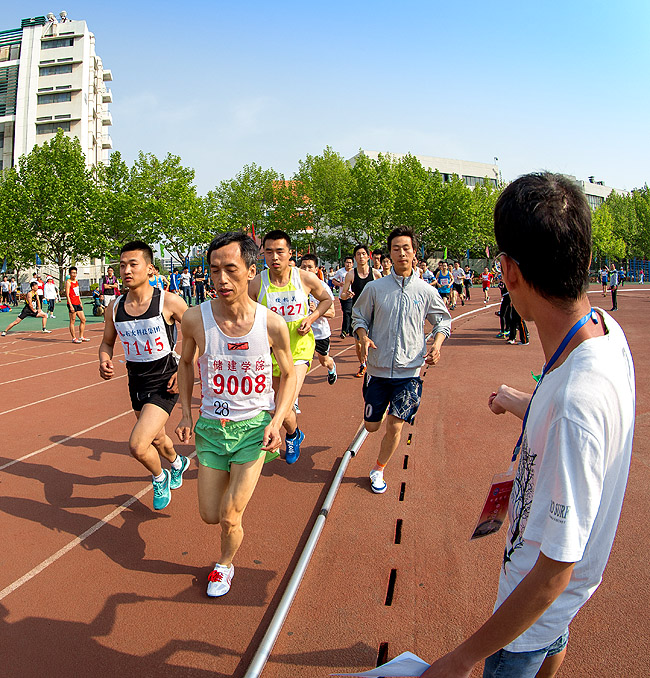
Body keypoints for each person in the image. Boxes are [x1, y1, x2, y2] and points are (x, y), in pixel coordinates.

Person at [422, 172, 635, 678]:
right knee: (555, 640)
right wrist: (526, 402)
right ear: (583, 259)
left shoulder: (574, 405)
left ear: (508, 272)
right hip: (556, 609)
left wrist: (460, 660)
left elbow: (553, 574)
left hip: (528, 618)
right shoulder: (604, 331)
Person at [176, 231, 296, 597]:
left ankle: (224, 565)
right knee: (210, 514)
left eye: (230, 269)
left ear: (249, 271)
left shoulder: (271, 323)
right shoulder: (195, 319)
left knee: (229, 516)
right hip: (212, 430)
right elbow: (185, 363)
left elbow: (289, 374)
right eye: (214, 271)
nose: (221, 280)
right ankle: (231, 505)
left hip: (254, 431)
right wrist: (184, 413)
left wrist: (277, 420)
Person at [352, 227, 451, 494]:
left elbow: (443, 322)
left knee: (395, 425)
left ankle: (379, 469)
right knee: (372, 427)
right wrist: (362, 336)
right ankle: (380, 410)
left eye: (406, 248)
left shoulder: (426, 291)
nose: (401, 252)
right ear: (390, 253)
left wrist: (437, 345)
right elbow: (358, 317)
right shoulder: (375, 288)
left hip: (410, 371)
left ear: (414, 253)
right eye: (396, 248)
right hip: (378, 368)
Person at [98, 241, 189, 511]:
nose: (126, 270)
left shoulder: (168, 301)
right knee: (158, 438)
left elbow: (199, 336)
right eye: (122, 265)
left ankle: (159, 477)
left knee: (138, 445)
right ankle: (177, 463)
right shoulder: (114, 308)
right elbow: (106, 343)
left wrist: (185, 368)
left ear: (149, 268)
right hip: (136, 380)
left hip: (165, 380)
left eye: (132, 264)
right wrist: (104, 360)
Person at [249, 229, 333, 463]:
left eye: (280, 252)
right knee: (281, 406)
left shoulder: (303, 278)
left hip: (299, 350)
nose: (274, 257)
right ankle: (294, 434)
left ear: (289, 253)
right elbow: (246, 312)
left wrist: (312, 317)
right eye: (269, 252)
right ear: (262, 254)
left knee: (286, 403)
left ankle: (276, 434)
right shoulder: (257, 283)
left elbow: (326, 299)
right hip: (271, 353)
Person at [340, 245, 382, 378]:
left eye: (364, 254)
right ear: (355, 257)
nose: (361, 256)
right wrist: (347, 294)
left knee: (376, 340)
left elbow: (383, 291)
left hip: (375, 312)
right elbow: (342, 295)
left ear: (368, 256)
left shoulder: (375, 274)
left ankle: (376, 364)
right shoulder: (351, 274)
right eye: (358, 254)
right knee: (358, 344)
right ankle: (363, 364)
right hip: (358, 313)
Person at [300, 254, 338, 384]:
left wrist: (316, 310)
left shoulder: (323, 287)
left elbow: (332, 313)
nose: (306, 270)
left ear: (316, 269)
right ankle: (294, 401)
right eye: (303, 267)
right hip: (301, 333)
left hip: (320, 333)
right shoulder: (295, 286)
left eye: (310, 267)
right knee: (299, 366)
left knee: (324, 361)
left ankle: (331, 367)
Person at [65, 266, 89, 343]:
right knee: (73, 320)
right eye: (72, 273)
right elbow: (67, 294)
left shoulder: (76, 281)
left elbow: (77, 293)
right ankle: (74, 337)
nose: (74, 274)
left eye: (75, 273)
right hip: (72, 303)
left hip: (77, 302)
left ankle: (81, 336)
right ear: (69, 273)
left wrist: (80, 302)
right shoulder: (68, 282)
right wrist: (71, 305)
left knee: (83, 319)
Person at [332, 256, 354, 337]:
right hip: (343, 295)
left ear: (352, 264)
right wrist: (339, 284)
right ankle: (347, 330)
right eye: (347, 262)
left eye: (350, 263)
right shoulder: (340, 272)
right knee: (346, 312)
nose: (348, 264)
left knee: (350, 313)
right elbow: (333, 280)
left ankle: (348, 330)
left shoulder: (355, 272)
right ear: (344, 263)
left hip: (353, 295)